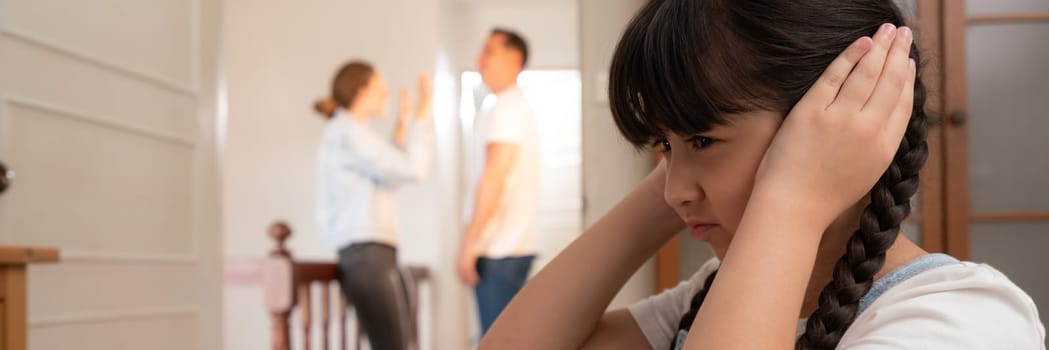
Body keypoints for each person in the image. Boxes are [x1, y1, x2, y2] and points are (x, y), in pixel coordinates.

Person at [479, 0, 1046, 349]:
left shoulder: (963, 321)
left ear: (839, 118)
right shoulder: (707, 299)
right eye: (662, 145)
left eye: (703, 139)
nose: (676, 188)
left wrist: (792, 197)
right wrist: (672, 177)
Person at [314, 60, 432, 350]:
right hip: (366, 255)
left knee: (396, 343)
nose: (388, 95)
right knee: (393, 345)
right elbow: (411, 170)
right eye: (381, 89)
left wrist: (403, 128)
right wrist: (422, 117)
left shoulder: (353, 133)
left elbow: (385, 176)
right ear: (361, 91)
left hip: (374, 253)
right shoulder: (348, 132)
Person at [456, 28, 541, 335]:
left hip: (500, 250)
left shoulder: (506, 108)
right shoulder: (512, 106)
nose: (480, 59)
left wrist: (469, 243)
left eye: (489, 51)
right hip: (509, 248)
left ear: (514, 59)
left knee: (497, 340)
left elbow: (493, 179)